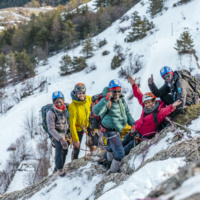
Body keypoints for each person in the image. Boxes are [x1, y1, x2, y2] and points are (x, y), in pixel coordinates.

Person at [122, 76, 182, 155]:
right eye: (146, 103)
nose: (147, 105)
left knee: (123, 151)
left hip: (142, 137)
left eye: (149, 102)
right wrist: (134, 85)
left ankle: (109, 163)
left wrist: (173, 106)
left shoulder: (158, 112)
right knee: (120, 145)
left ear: (154, 101)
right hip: (135, 130)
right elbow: (139, 95)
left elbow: (165, 111)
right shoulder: (145, 107)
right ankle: (106, 157)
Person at [93, 79, 135, 174]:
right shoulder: (106, 100)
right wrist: (105, 100)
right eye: (114, 91)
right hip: (110, 130)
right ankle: (112, 173)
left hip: (116, 129)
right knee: (120, 153)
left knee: (111, 147)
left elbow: (127, 112)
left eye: (118, 91)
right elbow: (96, 111)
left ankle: (109, 163)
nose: (116, 93)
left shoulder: (121, 99)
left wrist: (132, 123)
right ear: (110, 91)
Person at [68, 83, 98, 160]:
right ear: (75, 93)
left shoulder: (88, 99)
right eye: (79, 93)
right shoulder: (72, 107)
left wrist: (95, 128)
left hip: (88, 124)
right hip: (78, 129)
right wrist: (75, 140)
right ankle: (74, 162)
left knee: (95, 141)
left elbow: (94, 112)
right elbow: (72, 125)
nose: (81, 95)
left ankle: (90, 145)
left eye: (83, 93)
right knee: (77, 148)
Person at [46, 91, 70, 177]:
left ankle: (59, 165)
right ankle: (59, 168)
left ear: (63, 100)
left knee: (65, 149)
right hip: (55, 133)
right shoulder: (50, 113)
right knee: (59, 146)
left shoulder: (66, 108)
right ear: (53, 102)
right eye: (56, 102)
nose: (59, 103)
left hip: (65, 132)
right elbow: (51, 129)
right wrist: (60, 139)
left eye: (60, 101)